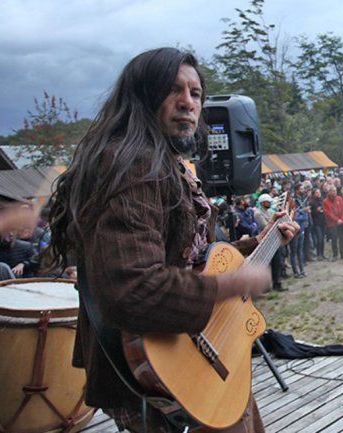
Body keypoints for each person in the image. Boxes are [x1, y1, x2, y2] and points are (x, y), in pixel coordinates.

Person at [45, 48, 299, 433]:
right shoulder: (131, 164)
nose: (188, 102)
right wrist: (233, 283)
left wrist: (257, 244)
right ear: (143, 96)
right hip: (157, 367)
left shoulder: (163, 160)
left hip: (192, 354)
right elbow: (132, 288)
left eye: (195, 93)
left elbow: (187, 255)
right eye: (173, 90)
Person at [323, 185, 343, 261]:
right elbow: (328, 213)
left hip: (341, 222)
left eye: (335, 191)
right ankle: (335, 255)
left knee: (342, 238)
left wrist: (342, 219)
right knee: (334, 239)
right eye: (333, 191)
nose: (335, 192)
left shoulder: (339, 198)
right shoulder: (325, 201)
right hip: (332, 223)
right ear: (329, 192)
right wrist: (336, 220)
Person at [309, 188, 326, 260]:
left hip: (323, 221)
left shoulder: (322, 200)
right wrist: (316, 210)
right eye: (316, 192)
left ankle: (322, 253)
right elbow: (311, 213)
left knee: (322, 239)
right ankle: (318, 253)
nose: (318, 193)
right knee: (319, 238)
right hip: (316, 222)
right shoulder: (312, 202)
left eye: (319, 192)